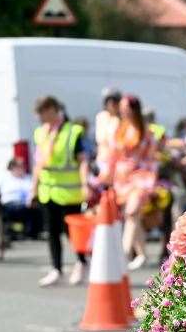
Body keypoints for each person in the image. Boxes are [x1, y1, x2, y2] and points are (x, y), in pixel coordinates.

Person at [30, 96, 92, 286]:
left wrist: (85, 185)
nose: (39, 117)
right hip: (47, 191)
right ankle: (56, 269)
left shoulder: (73, 132)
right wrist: (33, 188)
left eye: (42, 112)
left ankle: (82, 263)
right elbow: (38, 162)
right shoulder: (41, 132)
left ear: (52, 110)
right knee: (52, 232)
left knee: (72, 232)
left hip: (69, 192)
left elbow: (83, 161)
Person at [102, 94, 157, 270]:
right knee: (132, 216)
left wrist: (150, 180)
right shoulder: (119, 130)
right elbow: (112, 155)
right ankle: (141, 254)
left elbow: (152, 159)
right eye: (122, 108)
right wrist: (107, 175)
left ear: (135, 109)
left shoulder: (146, 133)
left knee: (132, 213)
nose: (123, 112)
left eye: (127, 108)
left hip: (141, 178)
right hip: (122, 178)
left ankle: (123, 253)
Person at [0, 157, 39, 240]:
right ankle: (8, 232)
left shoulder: (28, 178)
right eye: (20, 166)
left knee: (35, 208)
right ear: (12, 167)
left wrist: (31, 200)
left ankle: (31, 233)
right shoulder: (3, 176)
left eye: (23, 165)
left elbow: (32, 191)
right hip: (7, 204)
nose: (23, 168)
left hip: (25, 204)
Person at [94, 88, 120, 176]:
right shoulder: (101, 117)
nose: (112, 104)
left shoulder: (121, 120)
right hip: (101, 159)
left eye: (115, 102)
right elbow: (99, 139)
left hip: (116, 162)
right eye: (109, 101)